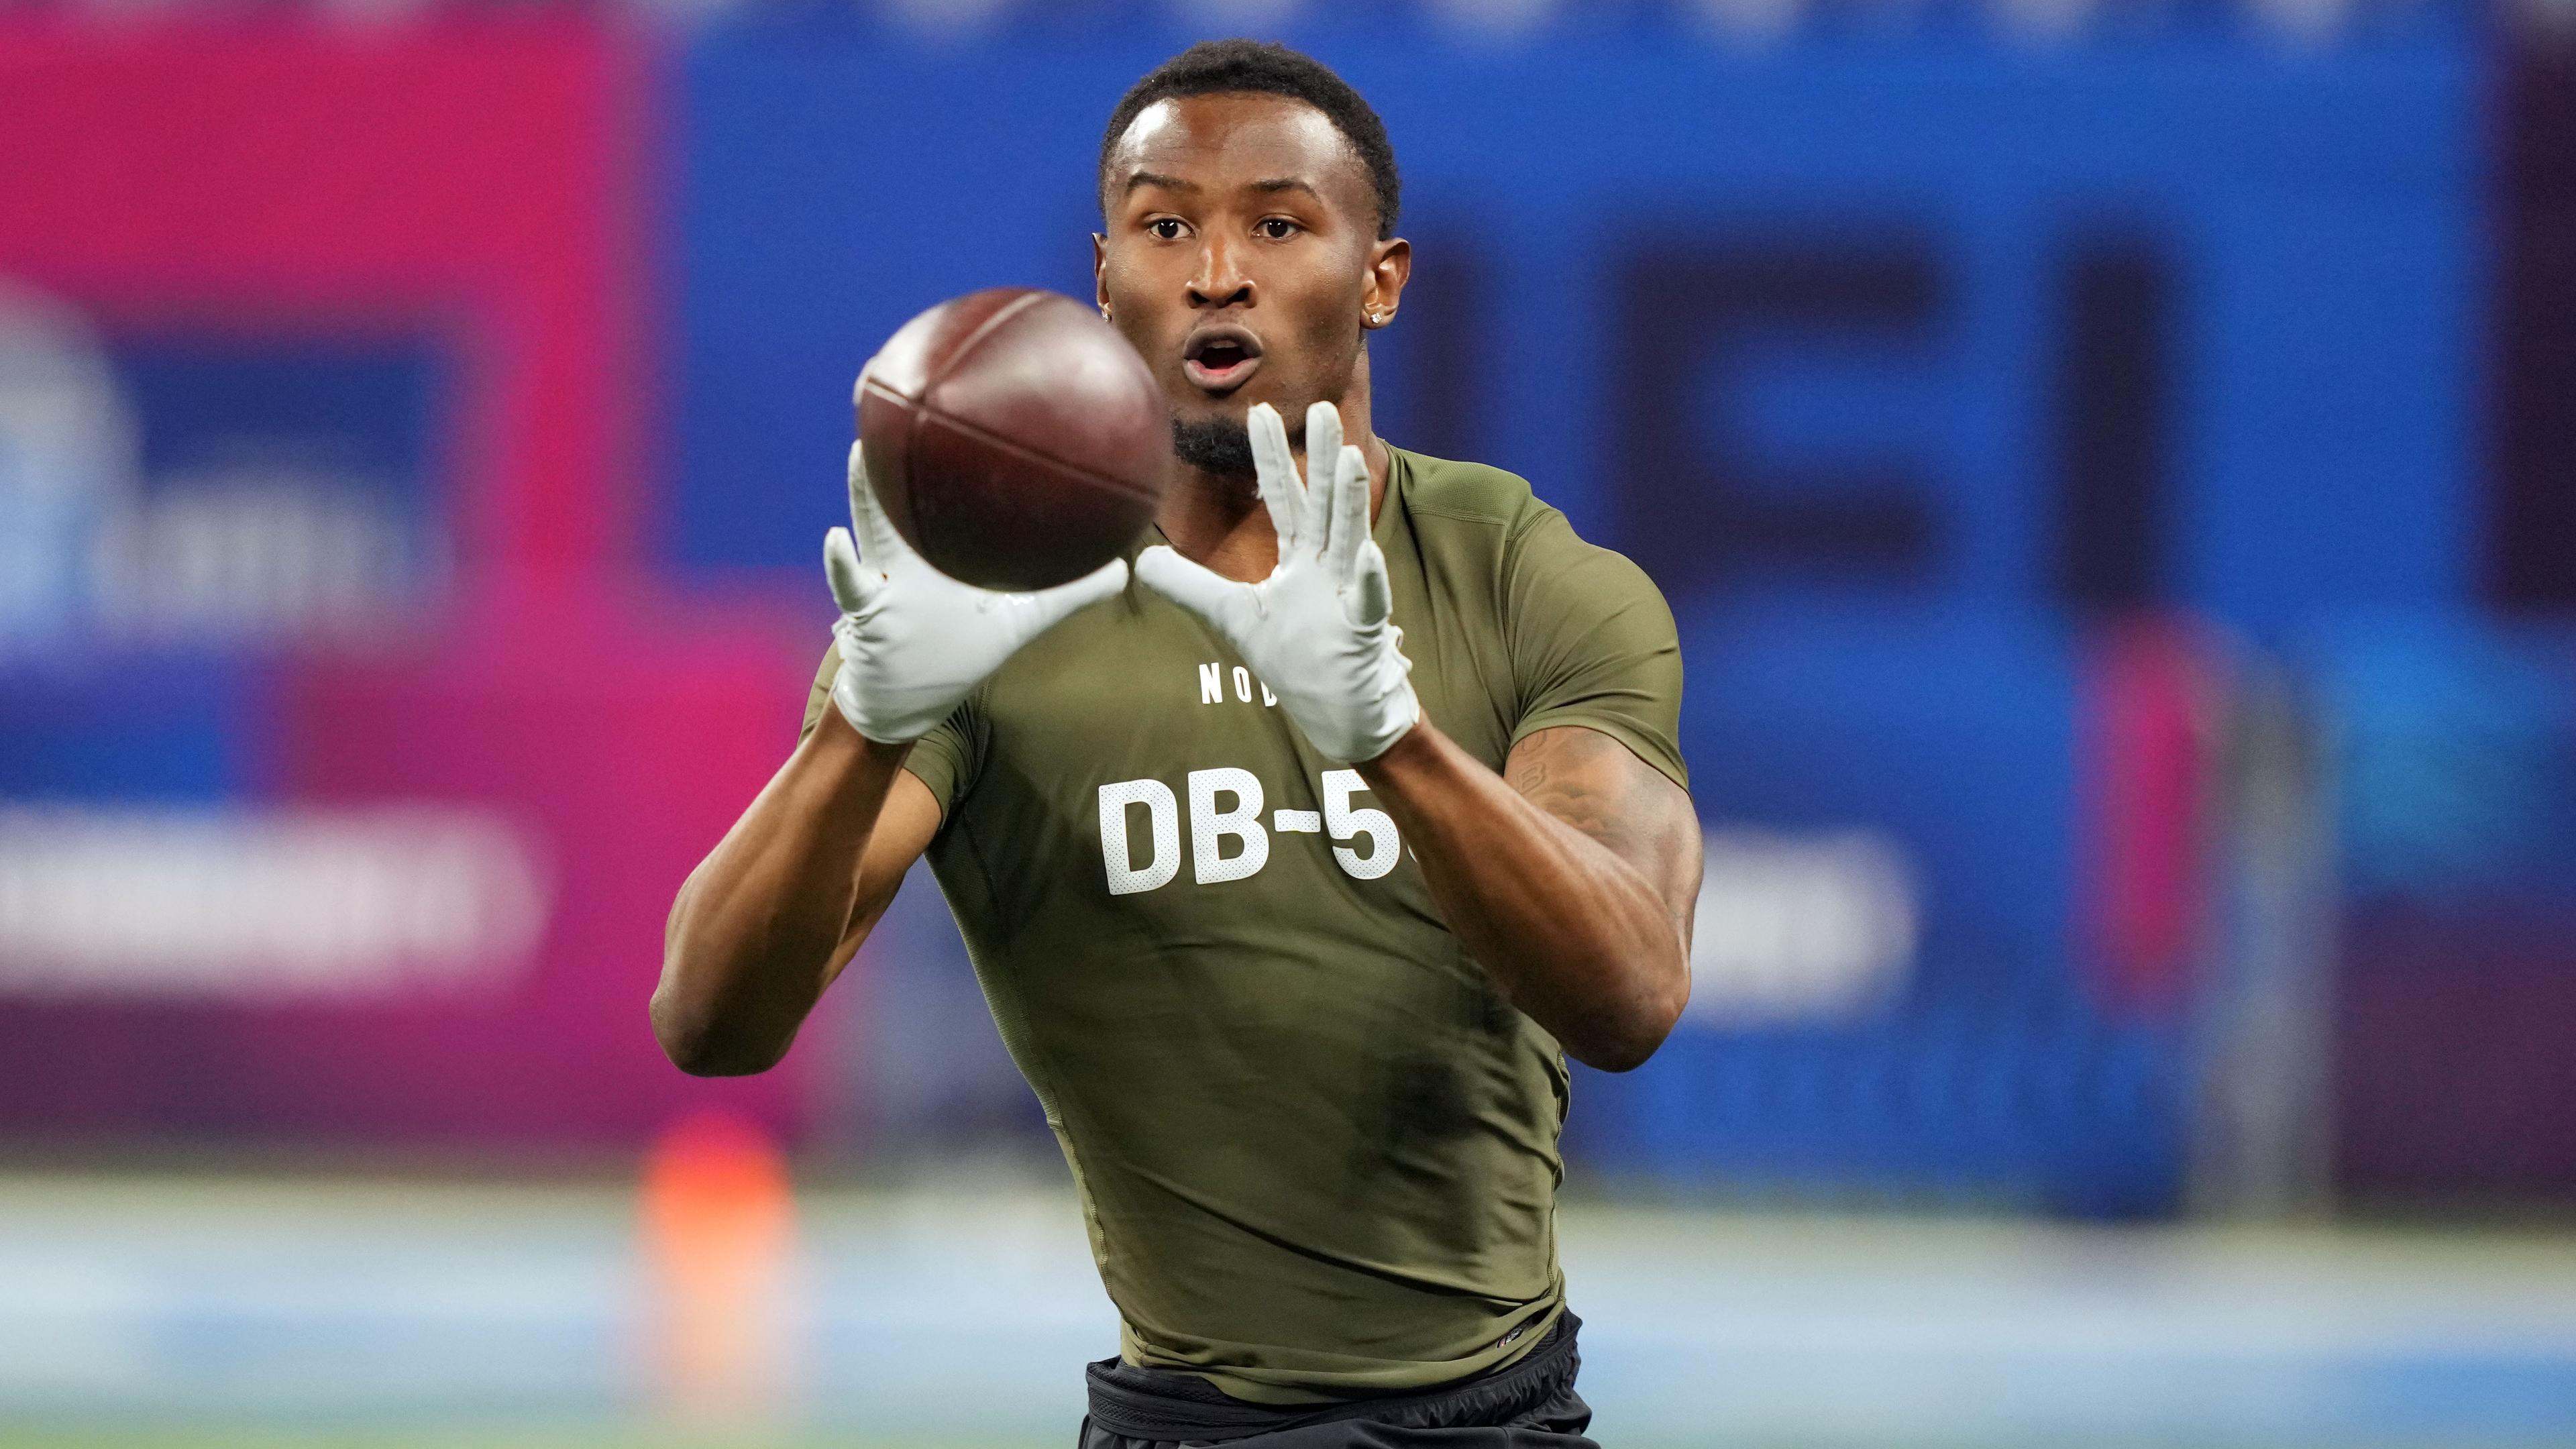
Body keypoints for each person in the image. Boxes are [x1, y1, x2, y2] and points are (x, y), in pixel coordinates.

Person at [654, 38, 1703, 1447]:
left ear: (1381, 277)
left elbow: (1629, 995)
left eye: (1277, 223)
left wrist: (1390, 737)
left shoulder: (1531, 582)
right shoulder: (982, 608)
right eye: (1166, 226)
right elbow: (712, 1024)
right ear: (1105, 278)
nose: (1218, 271)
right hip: (1179, 1422)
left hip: (1492, 1417)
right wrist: (865, 723)